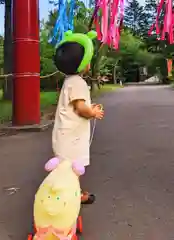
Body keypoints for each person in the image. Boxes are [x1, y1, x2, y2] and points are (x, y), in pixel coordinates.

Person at [52, 40, 104, 204]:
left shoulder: (69, 81)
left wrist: (89, 107)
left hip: (65, 135)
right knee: (73, 168)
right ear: (82, 63)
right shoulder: (78, 83)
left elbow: (76, 105)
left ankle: (73, 193)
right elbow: (81, 109)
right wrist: (93, 112)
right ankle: (70, 196)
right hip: (71, 138)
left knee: (68, 168)